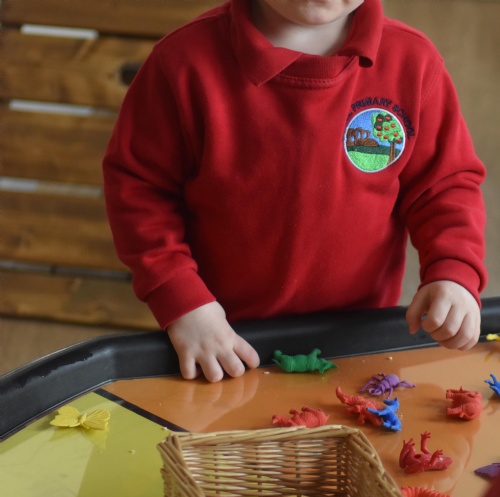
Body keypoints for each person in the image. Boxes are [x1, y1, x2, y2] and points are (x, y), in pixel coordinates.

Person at [102, 0, 487, 382]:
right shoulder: (182, 62)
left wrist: (453, 271)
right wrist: (184, 302)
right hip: (221, 340)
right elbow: (140, 190)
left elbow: (443, 186)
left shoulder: (413, 61)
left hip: (358, 342)